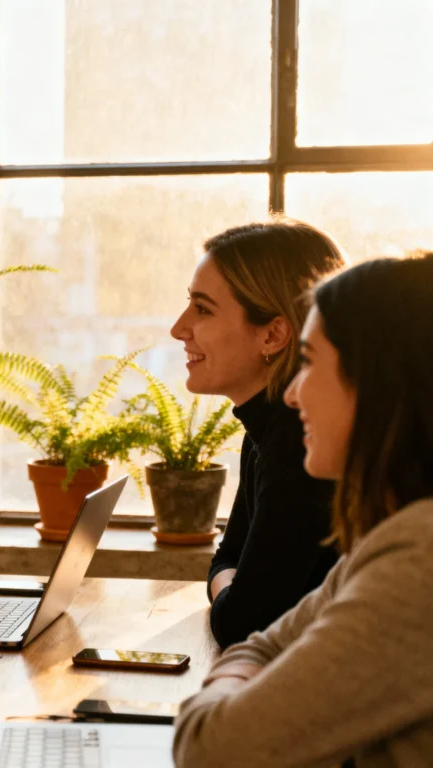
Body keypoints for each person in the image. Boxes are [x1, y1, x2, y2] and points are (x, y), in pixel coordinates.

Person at [173, 251, 433, 767]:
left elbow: (210, 747)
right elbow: (257, 644)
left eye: (310, 362)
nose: (292, 394)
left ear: (380, 385)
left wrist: (230, 679)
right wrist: (246, 667)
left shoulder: (419, 562)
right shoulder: (390, 539)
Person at [170, 220, 345, 648]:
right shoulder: (266, 430)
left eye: (203, 309)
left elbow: (240, 623)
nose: (179, 327)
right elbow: (227, 559)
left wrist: (228, 586)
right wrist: (230, 583)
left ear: (272, 334)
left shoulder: (302, 444)